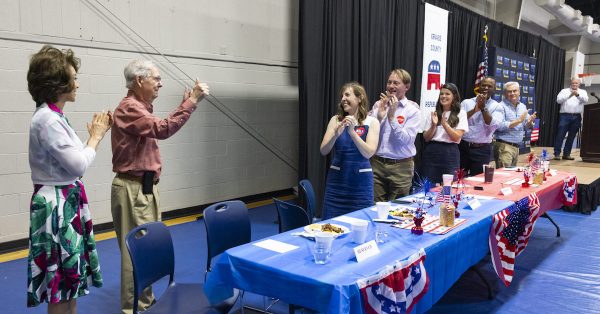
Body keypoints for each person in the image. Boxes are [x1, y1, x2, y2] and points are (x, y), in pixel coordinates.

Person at [110, 59, 209, 314]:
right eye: (156, 78)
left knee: (148, 250)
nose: (160, 83)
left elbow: (159, 126)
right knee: (136, 254)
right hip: (133, 190)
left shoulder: (139, 108)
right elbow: (162, 129)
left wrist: (185, 106)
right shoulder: (129, 108)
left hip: (143, 189)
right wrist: (191, 103)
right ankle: (134, 309)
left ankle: (145, 303)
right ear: (140, 80)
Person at [26, 45, 112, 314]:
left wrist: (90, 141)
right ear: (57, 83)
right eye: (72, 78)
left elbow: (76, 159)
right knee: (60, 289)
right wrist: (95, 137)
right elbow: (77, 165)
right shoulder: (48, 120)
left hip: (64, 203)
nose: (77, 83)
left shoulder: (54, 116)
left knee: (68, 286)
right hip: (57, 208)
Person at [320, 82, 380, 219]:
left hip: (361, 185)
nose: (343, 99)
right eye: (342, 96)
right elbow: (323, 150)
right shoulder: (335, 120)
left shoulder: (372, 122)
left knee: (361, 223)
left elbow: (368, 153)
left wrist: (352, 132)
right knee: (331, 225)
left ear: (360, 98)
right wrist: (335, 134)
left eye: (347, 94)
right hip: (337, 184)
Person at [369, 69, 420, 201]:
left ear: (407, 87)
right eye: (389, 82)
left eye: (396, 83)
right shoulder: (378, 105)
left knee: (398, 210)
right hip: (377, 164)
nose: (391, 86)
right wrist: (379, 118)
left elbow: (406, 140)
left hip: (401, 167)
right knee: (374, 208)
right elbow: (368, 135)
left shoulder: (413, 110)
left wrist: (392, 117)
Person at [422, 83, 468, 185]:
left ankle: (447, 201)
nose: (443, 96)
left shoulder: (461, 113)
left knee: (448, 186)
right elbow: (426, 138)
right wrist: (434, 125)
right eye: (441, 94)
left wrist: (444, 124)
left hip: (450, 153)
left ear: (454, 96)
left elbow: (456, 138)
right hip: (432, 151)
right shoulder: (433, 112)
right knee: (429, 186)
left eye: (447, 94)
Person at [459, 77, 502, 176]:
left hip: (482, 149)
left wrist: (483, 108)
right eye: (483, 85)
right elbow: (459, 120)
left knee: (477, 180)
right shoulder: (466, 102)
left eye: (489, 86)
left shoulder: (497, 106)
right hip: (463, 147)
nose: (486, 87)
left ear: (494, 89)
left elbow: (492, 124)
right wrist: (474, 110)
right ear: (479, 86)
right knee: (459, 178)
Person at [493, 81, 536, 168]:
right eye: (509, 91)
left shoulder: (522, 106)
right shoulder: (500, 106)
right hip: (504, 146)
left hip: (516, 147)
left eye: (515, 91)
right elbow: (499, 126)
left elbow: (526, 125)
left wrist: (530, 122)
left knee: (511, 175)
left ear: (519, 92)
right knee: (504, 176)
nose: (512, 93)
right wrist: (519, 120)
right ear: (505, 93)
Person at [553, 77, 588, 160]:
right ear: (571, 83)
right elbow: (558, 100)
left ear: (579, 84)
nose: (574, 84)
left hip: (576, 116)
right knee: (560, 135)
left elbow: (586, 100)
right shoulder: (564, 91)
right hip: (565, 116)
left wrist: (577, 95)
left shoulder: (582, 92)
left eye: (576, 83)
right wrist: (569, 95)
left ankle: (566, 154)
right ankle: (557, 153)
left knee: (572, 136)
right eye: (573, 83)